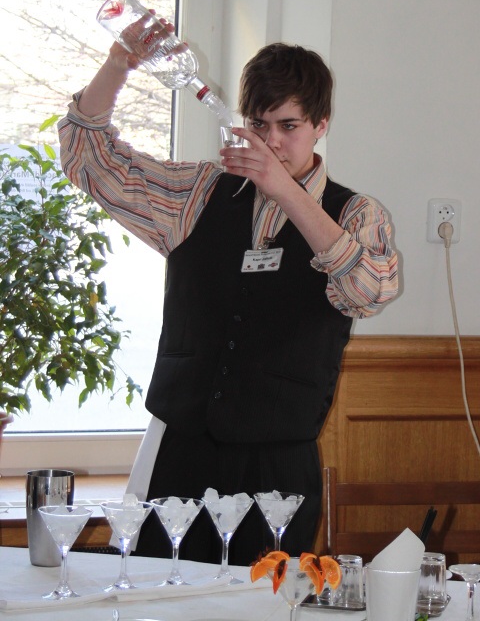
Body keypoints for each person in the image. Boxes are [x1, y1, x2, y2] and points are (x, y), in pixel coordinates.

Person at [58, 33, 398, 566]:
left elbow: (368, 293)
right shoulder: (197, 193)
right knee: (160, 594)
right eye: (258, 126)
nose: (271, 142)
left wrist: (287, 193)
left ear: (321, 125)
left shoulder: (357, 215)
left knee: (265, 600)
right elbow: (88, 159)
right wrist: (117, 65)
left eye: (289, 126)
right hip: (179, 453)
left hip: (278, 468)